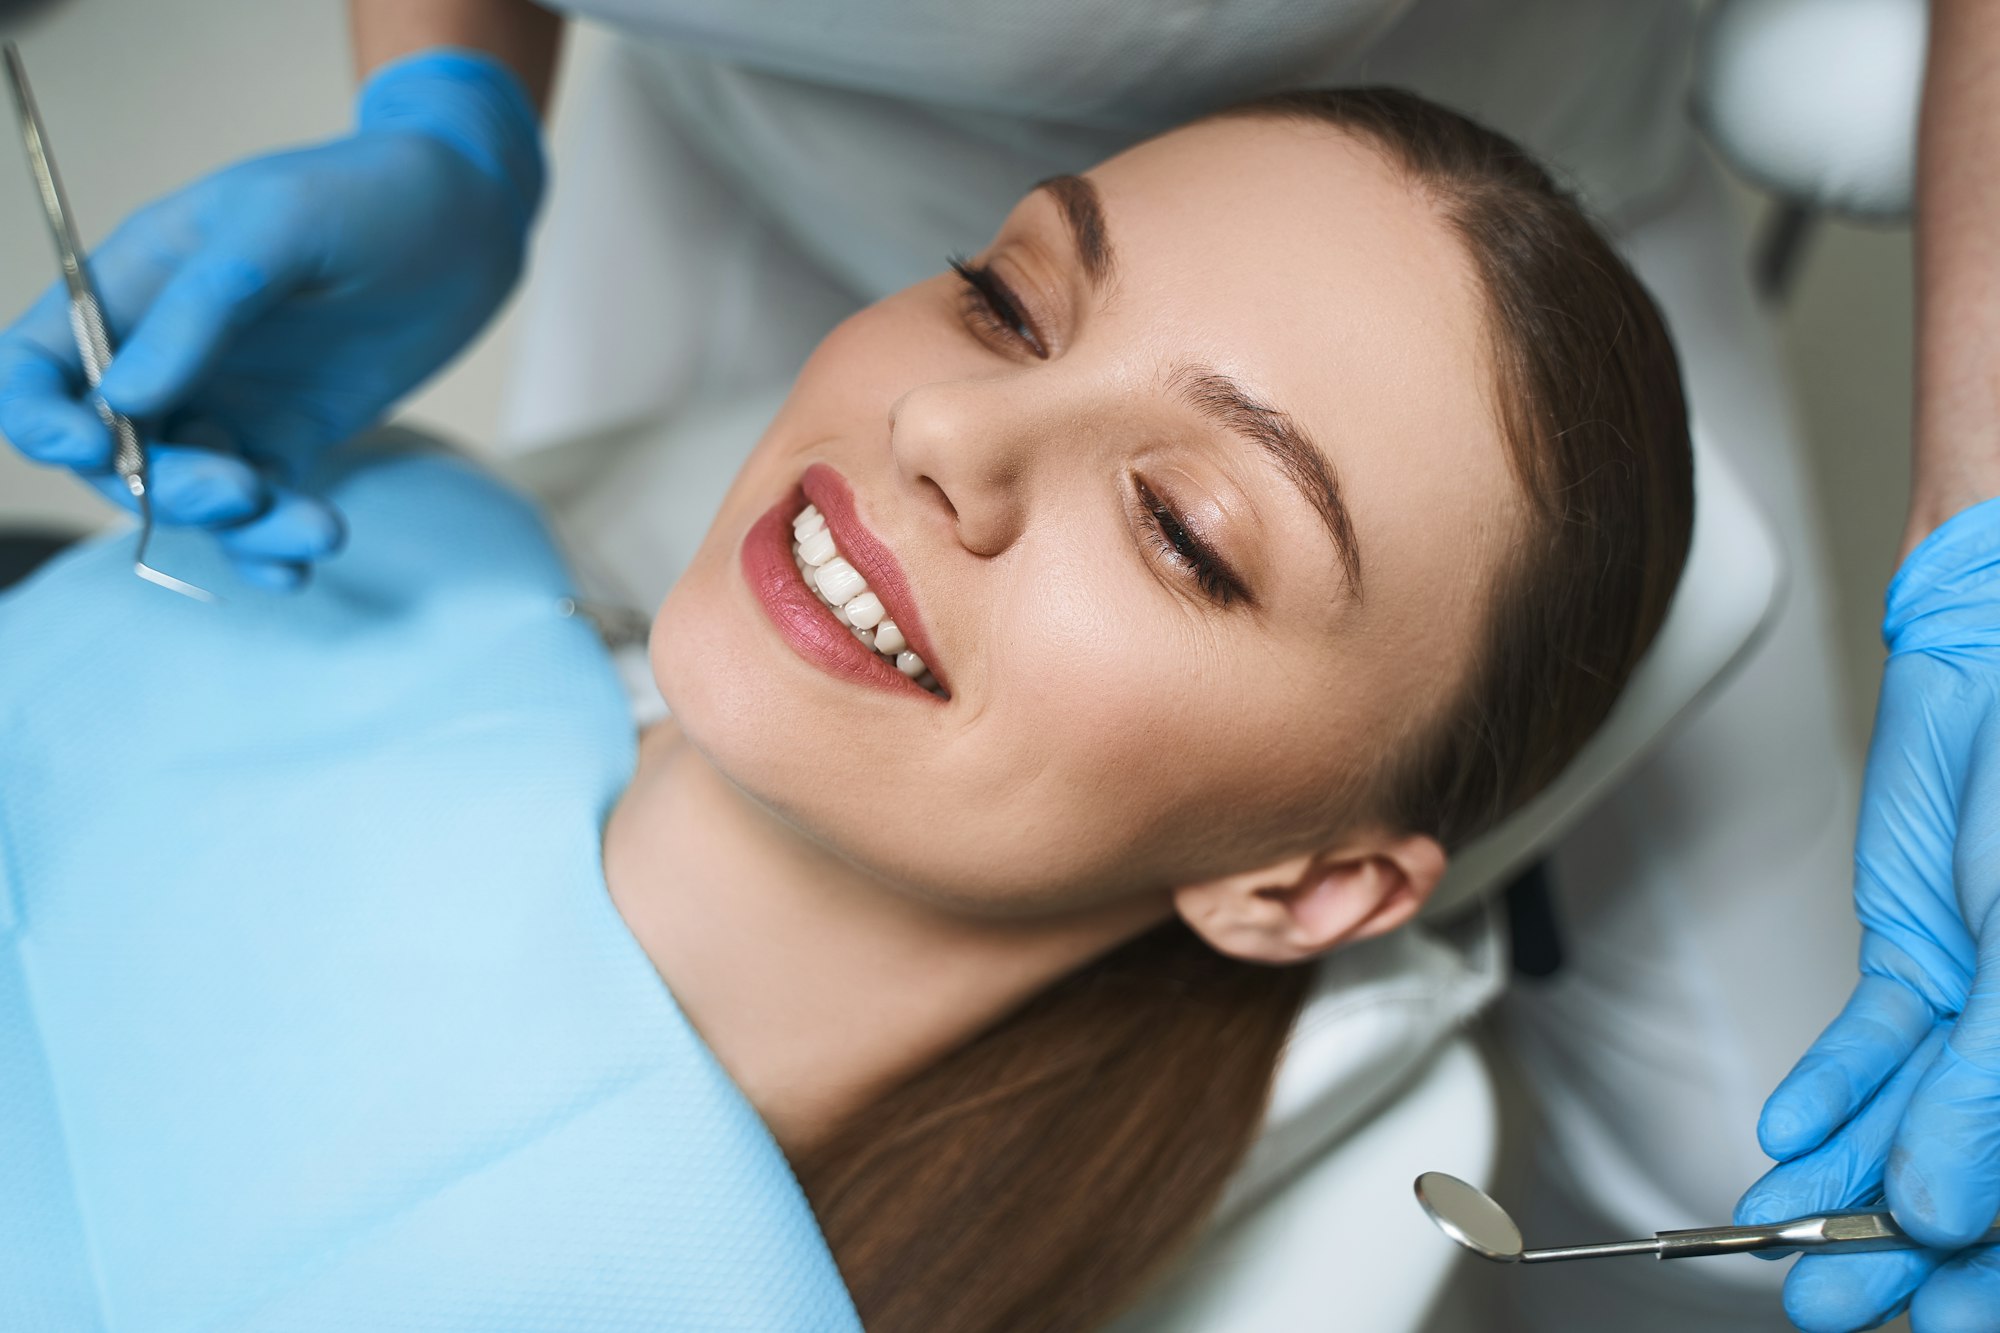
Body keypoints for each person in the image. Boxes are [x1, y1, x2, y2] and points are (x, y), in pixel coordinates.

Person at [1, 3, 1994, 1328]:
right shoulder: (385, 557)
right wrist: (446, 110)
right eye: (999, 298)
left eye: (1188, 529)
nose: (945, 438)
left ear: (1301, 882)